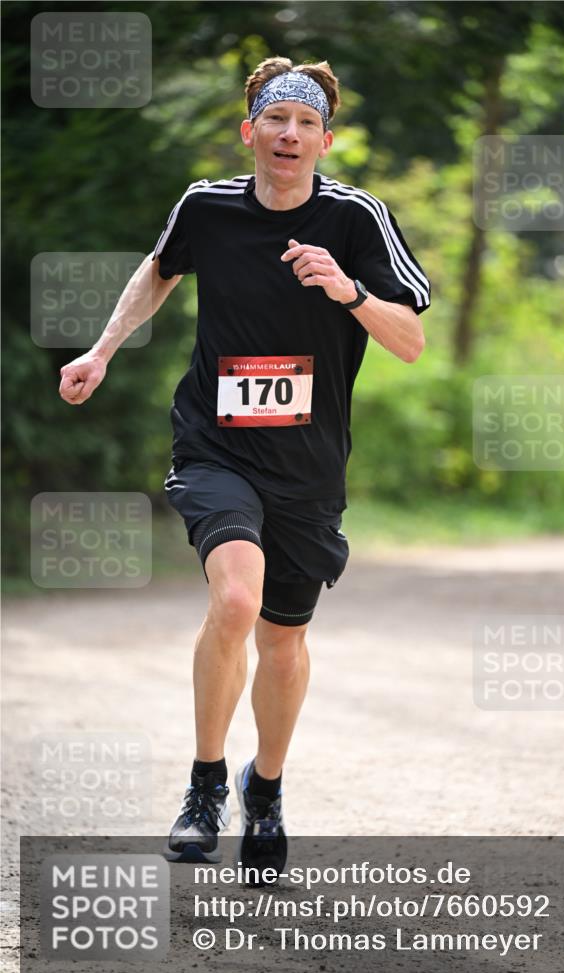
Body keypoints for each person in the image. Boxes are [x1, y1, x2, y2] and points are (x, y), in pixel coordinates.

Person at [58, 56, 431, 876]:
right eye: (275, 120)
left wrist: (346, 292)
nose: (289, 135)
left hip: (306, 465)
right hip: (215, 444)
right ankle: (203, 787)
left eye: (304, 124)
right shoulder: (208, 207)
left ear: (324, 140)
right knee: (234, 600)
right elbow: (156, 272)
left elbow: (409, 341)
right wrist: (102, 349)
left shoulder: (357, 220)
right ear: (249, 132)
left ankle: (265, 788)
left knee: (284, 641)